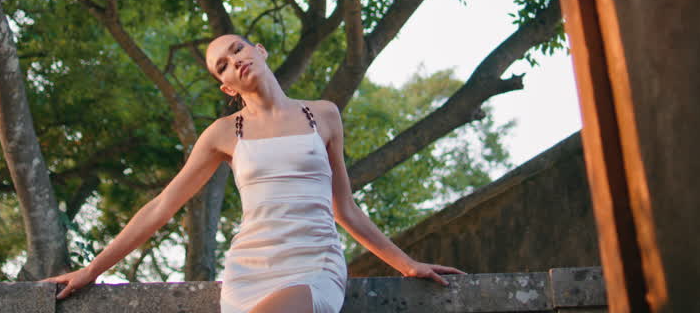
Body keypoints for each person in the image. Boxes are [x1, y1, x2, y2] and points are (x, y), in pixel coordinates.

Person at [44, 34, 465, 312]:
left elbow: (346, 210)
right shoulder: (222, 135)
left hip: (313, 263)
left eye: (238, 49)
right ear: (227, 87)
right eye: (222, 65)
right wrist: (92, 270)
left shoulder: (324, 115)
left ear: (259, 50)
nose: (235, 61)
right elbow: (162, 206)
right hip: (249, 272)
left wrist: (406, 263)